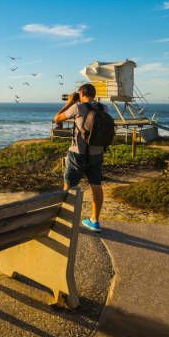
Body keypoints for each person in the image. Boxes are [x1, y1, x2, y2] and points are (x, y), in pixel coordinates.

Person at [53, 83, 105, 232]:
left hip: (77, 153)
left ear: (81, 93)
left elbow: (57, 118)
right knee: (96, 185)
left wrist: (69, 102)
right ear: (94, 95)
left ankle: (65, 220)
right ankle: (94, 221)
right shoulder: (103, 108)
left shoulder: (77, 107)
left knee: (68, 186)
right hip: (97, 154)